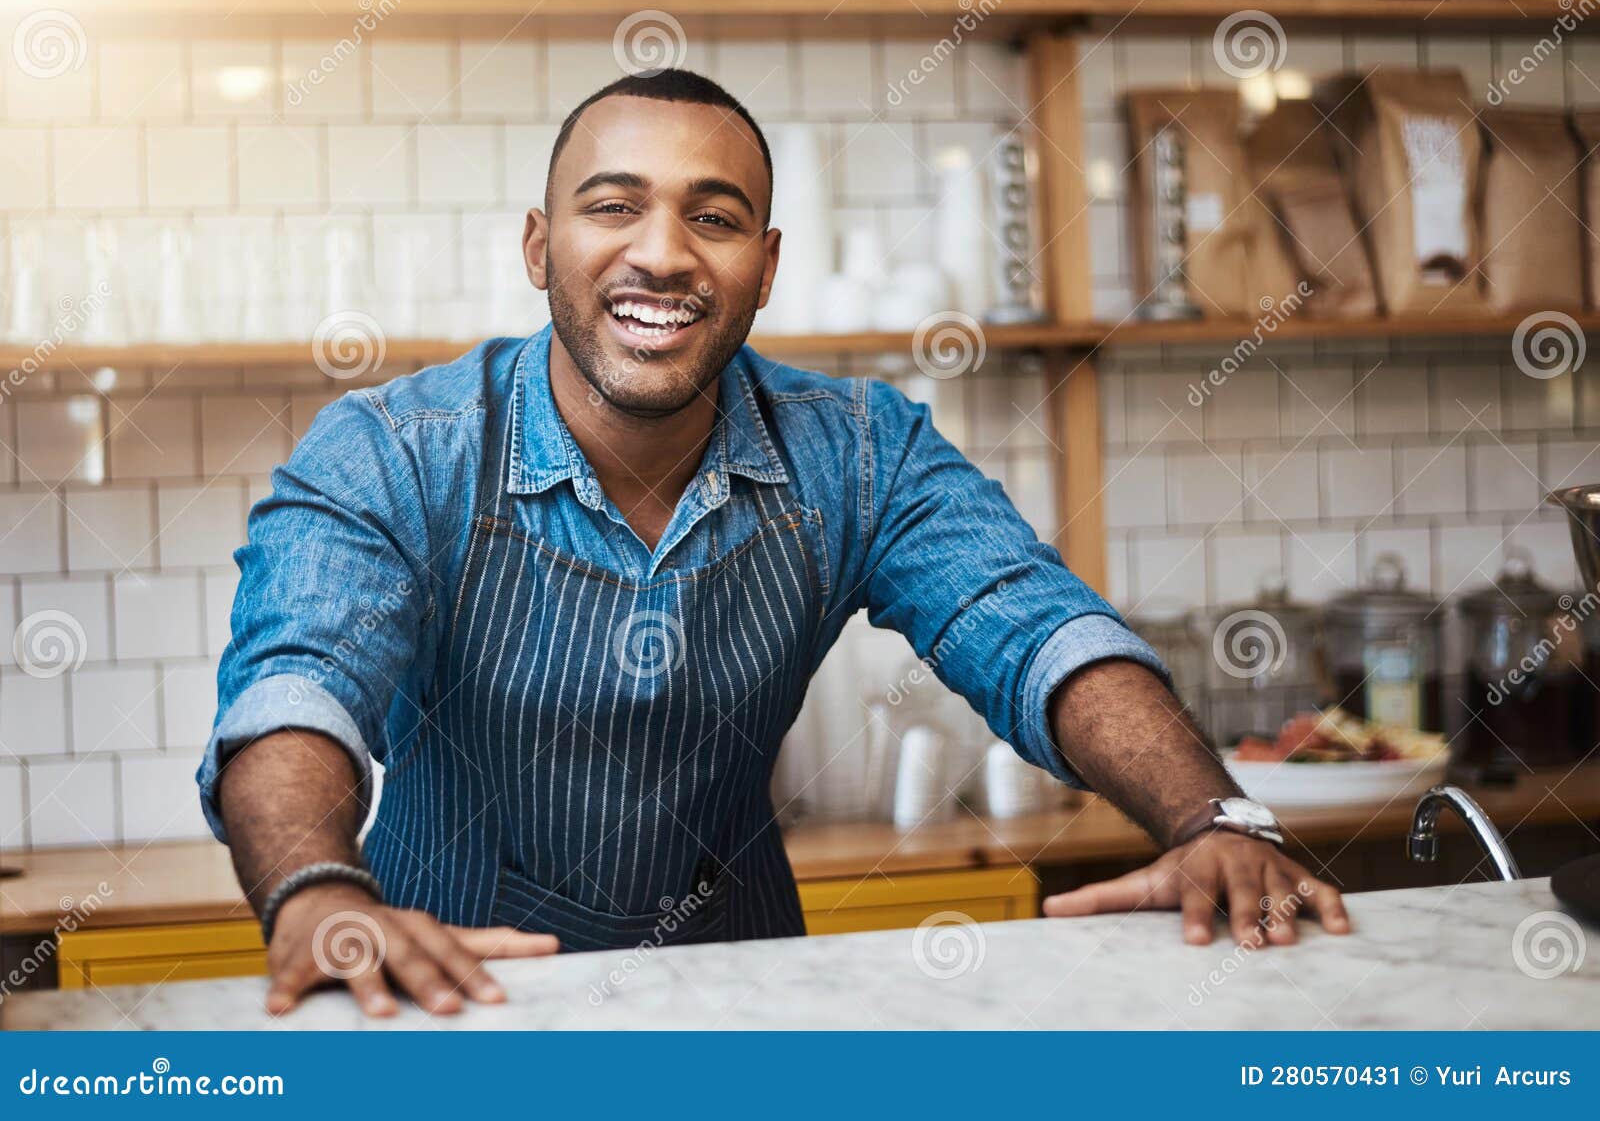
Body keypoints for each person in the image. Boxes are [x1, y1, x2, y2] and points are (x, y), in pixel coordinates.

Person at [197, 68, 1348, 1019]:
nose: (662, 253)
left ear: (766, 261)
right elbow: (298, 686)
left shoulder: (855, 451)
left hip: (740, 1000)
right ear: (539, 247)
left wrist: (1215, 815)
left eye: (714, 215)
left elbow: (1034, 623)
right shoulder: (396, 450)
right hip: (440, 998)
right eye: (612, 206)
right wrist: (313, 886)